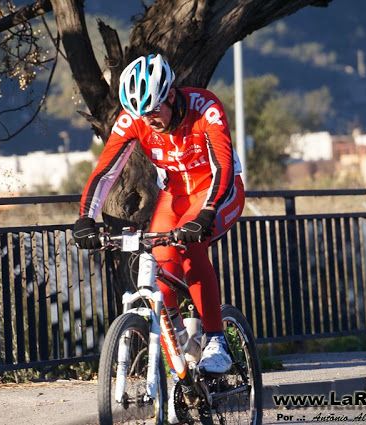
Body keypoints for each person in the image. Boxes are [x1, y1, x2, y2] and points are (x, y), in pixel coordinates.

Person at [73, 53, 244, 379]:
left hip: (219, 191)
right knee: (159, 264)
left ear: (170, 96)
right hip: (175, 195)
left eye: (153, 110)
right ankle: (181, 346)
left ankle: (216, 340)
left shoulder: (205, 108)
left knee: (191, 249)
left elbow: (222, 165)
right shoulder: (135, 119)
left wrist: (207, 212)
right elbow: (106, 172)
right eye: (141, 114)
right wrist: (85, 218)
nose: (148, 120)